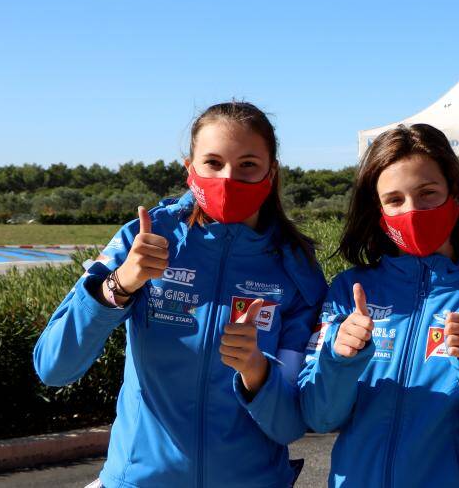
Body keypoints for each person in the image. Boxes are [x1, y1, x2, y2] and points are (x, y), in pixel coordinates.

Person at [33, 101, 327, 488]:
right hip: (139, 479)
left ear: (271, 173)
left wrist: (258, 372)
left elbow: (289, 424)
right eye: (213, 162)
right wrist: (120, 284)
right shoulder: (145, 238)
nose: (228, 178)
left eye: (248, 165)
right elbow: (54, 367)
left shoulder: (294, 269)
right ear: (190, 169)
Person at [234, 123, 459, 487]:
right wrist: (340, 358)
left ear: (456, 194)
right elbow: (319, 418)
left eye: (428, 193)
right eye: (395, 200)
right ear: (378, 211)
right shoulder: (348, 291)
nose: (412, 210)